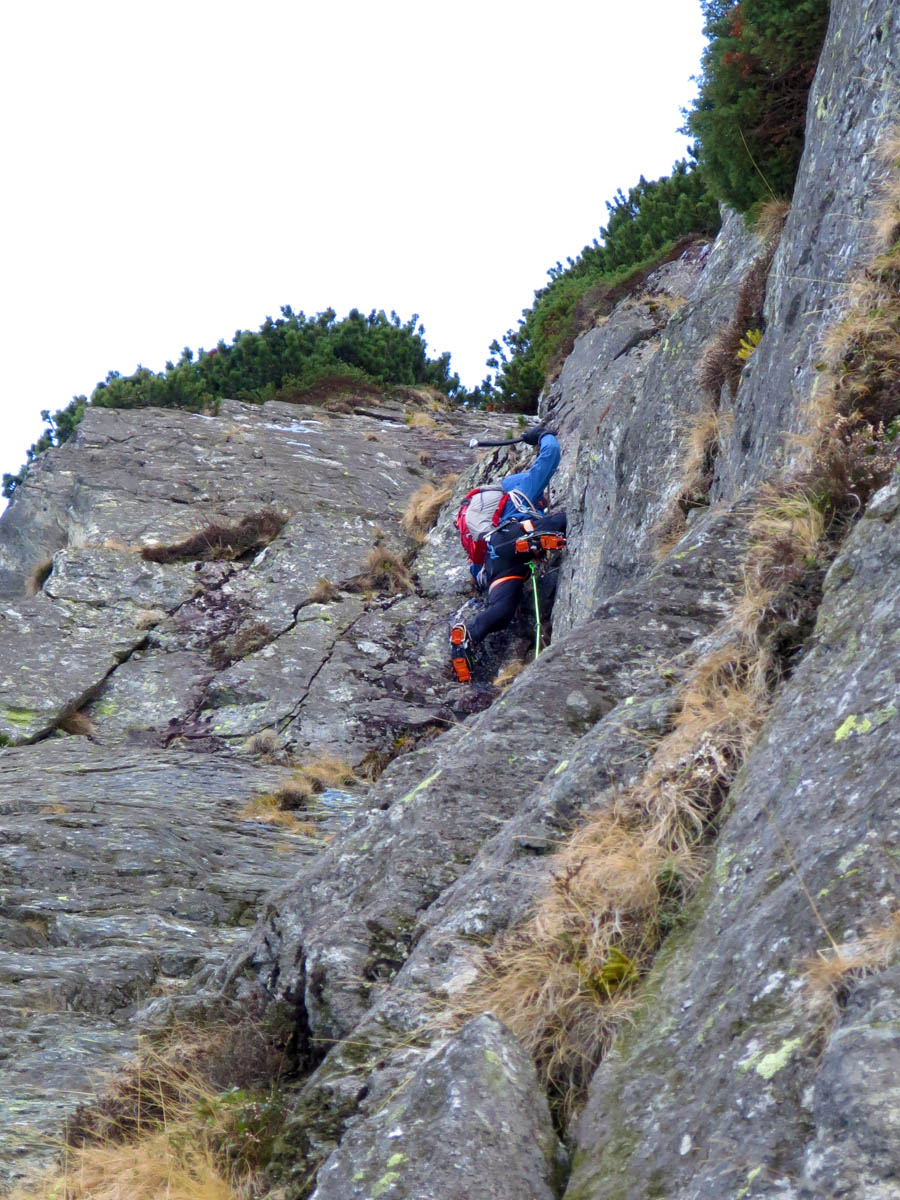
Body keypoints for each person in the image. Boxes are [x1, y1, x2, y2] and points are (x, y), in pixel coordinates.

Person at [450, 428, 567, 682]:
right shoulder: (520, 491)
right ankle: (531, 542)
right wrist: (544, 436)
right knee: (563, 520)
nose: (543, 500)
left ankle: (468, 637)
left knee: (501, 611)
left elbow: (477, 570)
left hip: (497, 565)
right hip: (512, 537)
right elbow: (552, 455)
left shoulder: (483, 527)